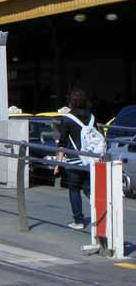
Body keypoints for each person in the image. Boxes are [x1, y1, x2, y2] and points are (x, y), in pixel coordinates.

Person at [53, 88, 92, 230]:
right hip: (90, 159)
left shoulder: (68, 119)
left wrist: (57, 164)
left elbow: (62, 143)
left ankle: (78, 221)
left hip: (74, 160)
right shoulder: (91, 117)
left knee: (74, 189)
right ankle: (102, 213)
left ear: (71, 102)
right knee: (89, 189)